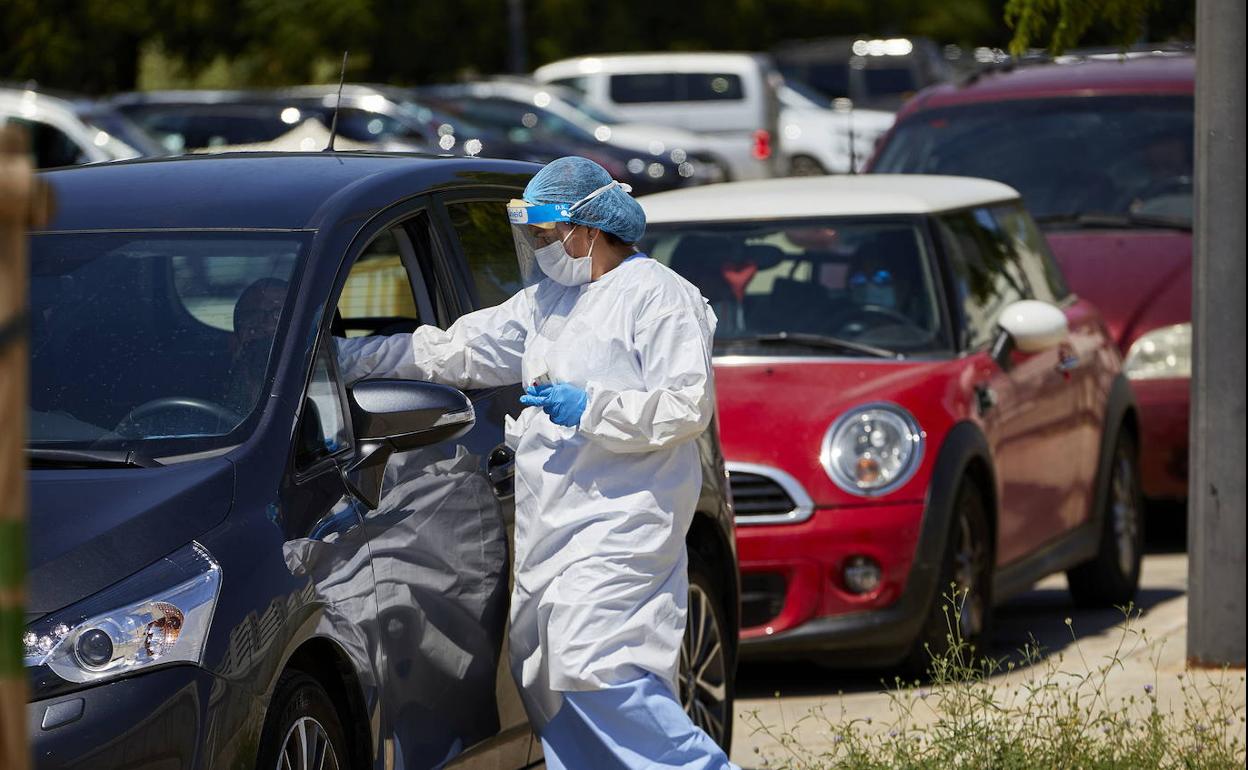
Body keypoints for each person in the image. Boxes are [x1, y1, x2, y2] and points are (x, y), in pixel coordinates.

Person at [336, 156, 737, 769]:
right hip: (553, 525)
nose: (543, 247)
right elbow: (452, 351)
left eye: (549, 235)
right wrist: (345, 358)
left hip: (624, 519)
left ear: (589, 227)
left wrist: (591, 407)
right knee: (543, 671)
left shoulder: (659, 296)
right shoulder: (548, 301)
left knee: (593, 665)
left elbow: (686, 406)